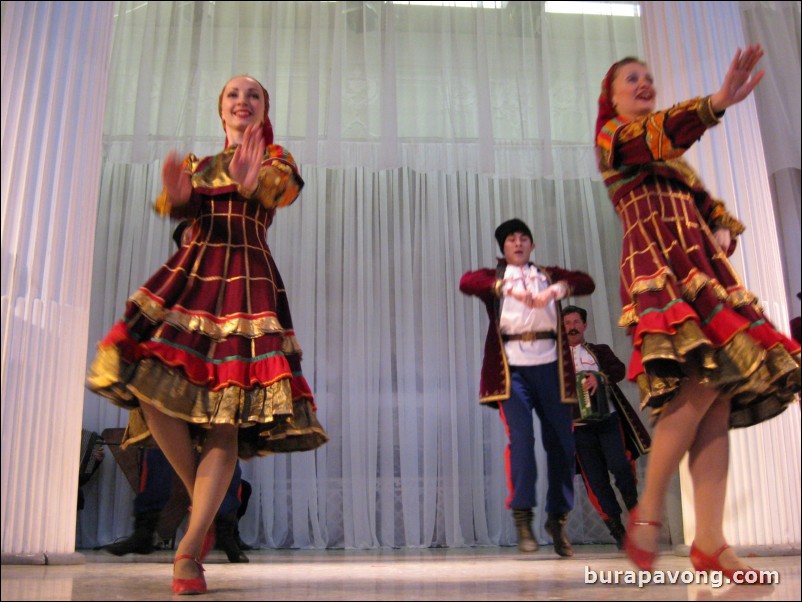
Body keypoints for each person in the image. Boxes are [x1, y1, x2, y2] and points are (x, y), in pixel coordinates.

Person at [87, 75, 328, 595]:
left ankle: (189, 548)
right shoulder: (199, 165)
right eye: (233, 96)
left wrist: (249, 179)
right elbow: (178, 208)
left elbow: (277, 192)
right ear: (221, 111)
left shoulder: (276, 156)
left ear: (264, 109)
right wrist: (176, 195)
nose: (242, 102)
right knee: (152, 389)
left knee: (225, 416)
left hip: (245, 281)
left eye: (253, 96)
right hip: (192, 279)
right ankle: (207, 500)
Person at [594, 46, 800, 577]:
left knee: (719, 397)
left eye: (648, 77)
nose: (644, 84)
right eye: (632, 79)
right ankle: (650, 511)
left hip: (701, 269)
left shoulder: (674, 160)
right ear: (611, 97)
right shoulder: (616, 139)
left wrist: (725, 225)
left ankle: (710, 539)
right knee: (703, 384)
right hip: (659, 265)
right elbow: (659, 133)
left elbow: (711, 205)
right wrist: (715, 102)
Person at [459, 218, 595, 556]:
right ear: (503, 248)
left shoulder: (547, 274)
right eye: (510, 240)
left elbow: (586, 281)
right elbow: (467, 281)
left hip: (551, 367)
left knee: (562, 444)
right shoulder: (495, 278)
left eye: (523, 238)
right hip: (512, 371)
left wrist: (557, 290)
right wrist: (507, 288)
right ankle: (523, 517)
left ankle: (558, 518)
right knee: (521, 440)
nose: (518, 244)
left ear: (532, 245)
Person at [562, 305, 651, 549]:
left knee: (621, 465)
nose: (572, 326)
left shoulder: (599, 351)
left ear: (584, 326)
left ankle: (635, 516)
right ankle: (618, 532)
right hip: (577, 428)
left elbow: (619, 370)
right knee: (596, 481)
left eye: (576, 322)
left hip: (608, 420)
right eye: (567, 323)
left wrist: (598, 376)